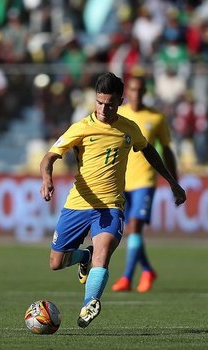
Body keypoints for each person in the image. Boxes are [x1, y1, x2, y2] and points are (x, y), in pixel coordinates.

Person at [39, 72, 186, 328]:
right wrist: (46, 178)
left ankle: (90, 303)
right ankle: (83, 257)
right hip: (78, 202)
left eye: (109, 103)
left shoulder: (129, 128)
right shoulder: (81, 127)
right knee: (56, 262)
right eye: (99, 102)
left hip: (110, 206)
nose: (103, 108)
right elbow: (49, 157)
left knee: (103, 254)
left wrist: (172, 181)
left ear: (119, 101)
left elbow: (150, 151)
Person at [111, 73, 179, 293]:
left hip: (145, 181)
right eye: (132, 90)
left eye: (140, 90)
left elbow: (167, 150)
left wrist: (173, 182)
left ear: (145, 92)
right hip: (121, 182)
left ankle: (127, 278)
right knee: (129, 230)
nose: (136, 94)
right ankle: (148, 270)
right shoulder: (117, 115)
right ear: (126, 93)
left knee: (135, 227)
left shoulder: (156, 118)